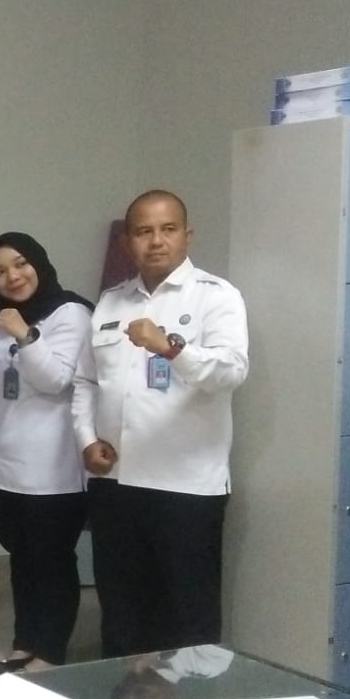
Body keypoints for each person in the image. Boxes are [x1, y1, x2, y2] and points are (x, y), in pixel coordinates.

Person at [72, 190, 249, 657]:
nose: (156, 241)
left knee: (187, 617)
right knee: (121, 610)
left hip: (185, 486)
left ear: (187, 235)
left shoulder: (216, 296)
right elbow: (86, 381)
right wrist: (86, 439)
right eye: (144, 231)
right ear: (127, 241)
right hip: (115, 483)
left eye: (168, 229)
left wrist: (171, 348)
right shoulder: (111, 302)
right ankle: (122, 696)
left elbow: (231, 373)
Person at [0, 233, 93, 673]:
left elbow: (57, 380)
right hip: (6, 461)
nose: (12, 276)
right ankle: (25, 641)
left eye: (20, 264)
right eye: (0, 271)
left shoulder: (70, 313)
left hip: (54, 465)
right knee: (21, 557)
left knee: (51, 560)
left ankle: (50, 650)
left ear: (39, 263)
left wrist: (26, 335)